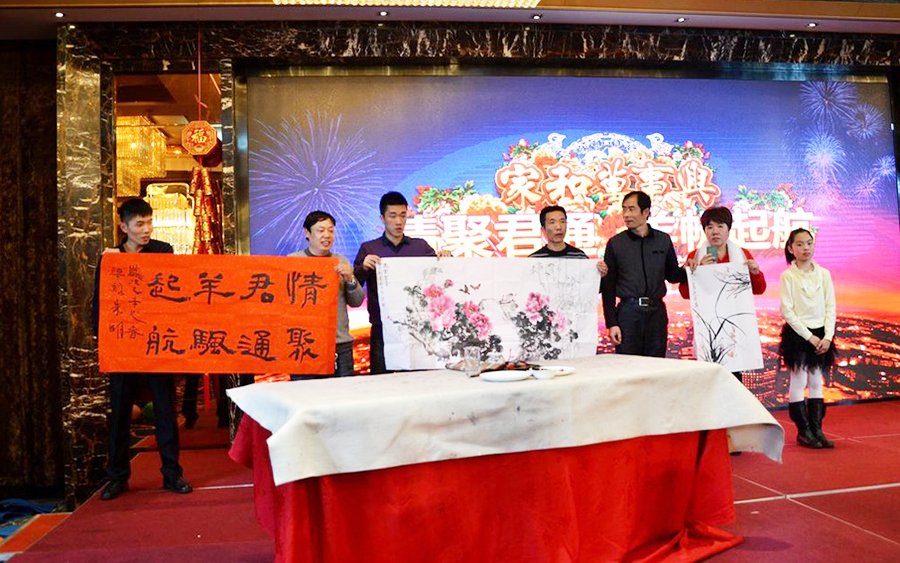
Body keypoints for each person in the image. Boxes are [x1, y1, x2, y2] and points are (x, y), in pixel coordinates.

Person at [91, 198, 192, 500]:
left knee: (165, 411)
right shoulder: (110, 258)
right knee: (120, 413)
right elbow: (99, 304)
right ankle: (117, 477)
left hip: (157, 344)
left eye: (149, 222)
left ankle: (172, 474)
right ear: (124, 227)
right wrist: (104, 341)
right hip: (124, 345)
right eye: (140, 224)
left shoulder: (163, 251)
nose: (147, 229)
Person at [354, 191, 443, 374]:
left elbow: (439, 278)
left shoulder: (420, 247)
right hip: (382, 330)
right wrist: (363, 268)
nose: (398, 221)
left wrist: (446, 259)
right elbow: (354, 288)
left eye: (403, 215)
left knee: (420, 382)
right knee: (381, 384)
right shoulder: (369, 248)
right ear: (382, 218)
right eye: (392, 216)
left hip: (417, 329)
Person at [679, 206, 767, 382]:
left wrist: (755, 272)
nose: (715, 232)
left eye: (720, 226)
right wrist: (697, 272)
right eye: (709, 227)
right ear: (704, 231)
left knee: (734, 377)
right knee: (710, 377)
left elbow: (759, 289)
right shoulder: (695, 255)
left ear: (728, 229)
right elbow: (685, 294)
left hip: (735, 325)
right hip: (709, 325)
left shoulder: (742, 254)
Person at [601, 191, 687, 357]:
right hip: (628, 313)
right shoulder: (616, 244)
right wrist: (612, 323)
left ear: (646, 212)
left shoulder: (663, 240)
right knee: (628, 365)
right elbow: (608, 287)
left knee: (656, 364)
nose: (626, 215)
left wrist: (690, 269)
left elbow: (673, 275)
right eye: (624, 209)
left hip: (656, 313)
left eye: (631, 209)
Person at [290, 211, 365, 379]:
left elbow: (357, 301)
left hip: (339, 345)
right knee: (305, 393)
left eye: (331, 230)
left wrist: (350, 278)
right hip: (303, 344)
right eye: (321, 230)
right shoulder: (293, 261)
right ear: (307, 233)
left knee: (341, 394)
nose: (327, 235)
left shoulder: (341, 261)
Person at [779, 228, 837, 449]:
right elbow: (787, 311)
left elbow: (830, 306)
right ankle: (803, 431)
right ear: (791, 248)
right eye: (800, 244)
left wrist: (827, 337)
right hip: (799, 335)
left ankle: (817, 429)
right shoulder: (788, 276)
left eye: (809, 243)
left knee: (816, 381)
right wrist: (810, 337)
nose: (806, 248)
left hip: (822, 334)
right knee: (799, 380)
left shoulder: (824, 274)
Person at [529, 205, 609, 277]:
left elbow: (589, 285)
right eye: (552, 222)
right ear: (543, 229)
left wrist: (599, 274)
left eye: (562, 221)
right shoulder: (533, 260)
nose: (558, 227)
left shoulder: (579, 257)